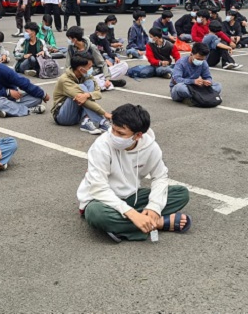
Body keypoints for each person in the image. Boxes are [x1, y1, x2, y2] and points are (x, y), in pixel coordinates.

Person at [76, 104, 191, 243]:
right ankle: (159, 223)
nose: (114, 136)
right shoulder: (101, 146)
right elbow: (98, 188)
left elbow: (160, 176)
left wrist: (154, 207)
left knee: (181, 193)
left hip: (131, 197)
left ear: (138, 135)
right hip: (100, 200)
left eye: (121, 133)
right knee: (95, 214)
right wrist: (132, 214)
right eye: (113, 129)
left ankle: (127, 225)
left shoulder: (151, 147)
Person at [0, 50, 49, 118]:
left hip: (12, 98)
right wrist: (7, 92)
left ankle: (8, 110)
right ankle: (28, 110)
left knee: (37, 98)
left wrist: (43, 94)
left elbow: (23, 83)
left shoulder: (2, 69)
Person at [52, 53, 112, 135]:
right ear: (81, 69)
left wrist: (88, 95)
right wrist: (104, 113)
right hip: (63, 116)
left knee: (89, 83)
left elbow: (98, 93)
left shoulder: (87, 76)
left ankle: (86, 120)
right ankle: (101, 121)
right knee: (81, 89)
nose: (91, 69)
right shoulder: (65, 79)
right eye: (89, 67)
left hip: (77, 114)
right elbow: (82, 99)